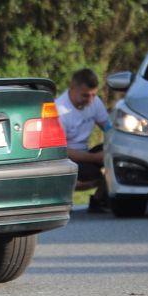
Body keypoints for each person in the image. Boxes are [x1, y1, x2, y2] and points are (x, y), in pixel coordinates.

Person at [56, 67, 112, 212]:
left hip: (87, 155)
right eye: (86, 96)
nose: (91, 100)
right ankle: (61, 194)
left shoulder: (95, 102)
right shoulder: (59, 111)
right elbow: (61, 151)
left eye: (94, 95)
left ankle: (100, 200)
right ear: (72, 88)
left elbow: (109, 128)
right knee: (101, 168)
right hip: (66, 160)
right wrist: (95, 158)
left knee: (114, 153)